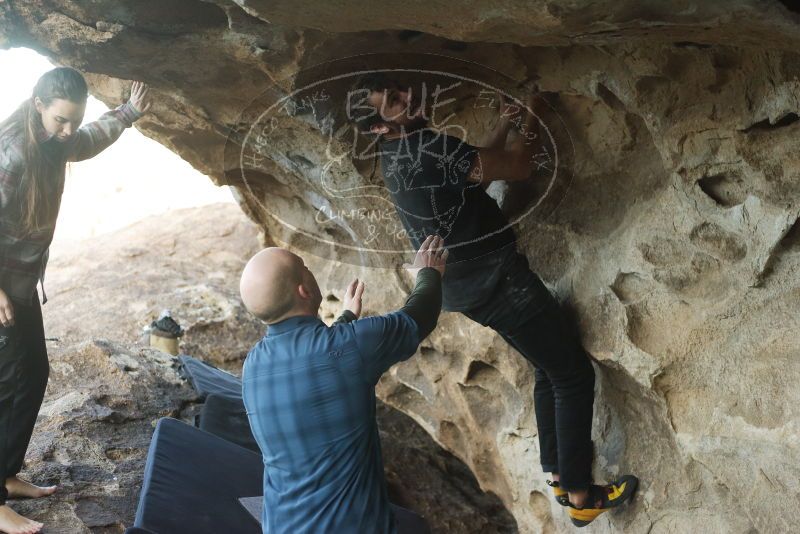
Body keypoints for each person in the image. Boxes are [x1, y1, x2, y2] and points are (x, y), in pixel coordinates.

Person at [348, 73, 638, 527]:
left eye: (401, 89)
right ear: (380, 126)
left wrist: (504, 124)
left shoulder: (399, 154)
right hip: (498, 282)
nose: (408, 97)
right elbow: (518, 167)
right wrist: (536, 112)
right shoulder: (427, 149)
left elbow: (469, 178)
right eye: (393, 101)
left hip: (469, 287)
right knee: (572, 374)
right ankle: (582, 495)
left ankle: (558, 475)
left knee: (546, 366)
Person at [0, 67, 150, 534]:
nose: (67, 129)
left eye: (73, 120)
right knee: (7, 385)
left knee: (33, 374)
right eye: (60, 119)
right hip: (2, 289)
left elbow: (86, 141)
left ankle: (6, 475)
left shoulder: (54, 140)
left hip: (20, 284)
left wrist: (128, 113)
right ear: (38, 105)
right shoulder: (13, 152)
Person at [239, 235, 447, 534]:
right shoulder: (349, 348)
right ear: (304, 289)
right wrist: (428, 273)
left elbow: (323, 360)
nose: (309, 270)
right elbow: (420, 316)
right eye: (305, 267)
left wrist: (347, 317)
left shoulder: (253, 366)